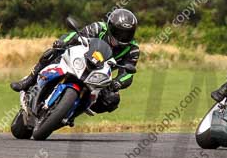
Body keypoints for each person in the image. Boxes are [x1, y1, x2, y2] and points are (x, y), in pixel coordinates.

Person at [10, 8, 140, 113]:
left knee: (112, 99)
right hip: (81, 59)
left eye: (127, 34)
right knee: (53, 52)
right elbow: (77, 35)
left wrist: (117, 83)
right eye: (119, 32)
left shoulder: (133, 49)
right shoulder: (98, 28)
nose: (122, 37)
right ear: (110, 27)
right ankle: (28, 81)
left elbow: (128, 73)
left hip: (100, 76)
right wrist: (62, 42)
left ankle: (76, 109)